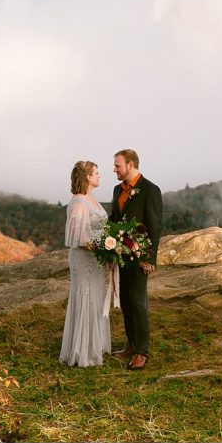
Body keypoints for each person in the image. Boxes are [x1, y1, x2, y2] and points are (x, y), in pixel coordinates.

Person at [109, 149, 162, 371]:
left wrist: (149, 258)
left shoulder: (150, 190)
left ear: (130, 165)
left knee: (138, 303)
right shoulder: (116, 190)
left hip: (140, 257)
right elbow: (114, 220)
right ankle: (131, 345)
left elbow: (154, 226)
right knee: (127, 302)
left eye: (117, 165)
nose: (115, 169)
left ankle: (142, 352)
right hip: (122, 256)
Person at [59, 160, 112, 367]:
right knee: (86, 298)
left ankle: (93, 346)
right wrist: (104, 248)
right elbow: (78, 237)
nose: (99, 176)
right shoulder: (79, 201)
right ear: (88, 177)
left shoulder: (91, 198)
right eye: (96, 173)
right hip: (84, 259)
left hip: (95, 258)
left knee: (95, 299)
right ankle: (83, 352)